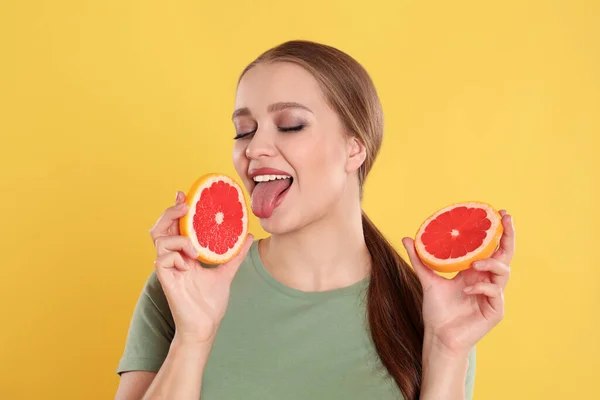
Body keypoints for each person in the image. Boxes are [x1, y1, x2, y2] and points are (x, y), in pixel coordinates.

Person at [114, 40, 515, 400]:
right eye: (243, 131)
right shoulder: (186, 284)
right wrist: (192, 340)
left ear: (354, 148)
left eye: (290, 125)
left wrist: (447, 350)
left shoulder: (431, 306)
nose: (254, 148)